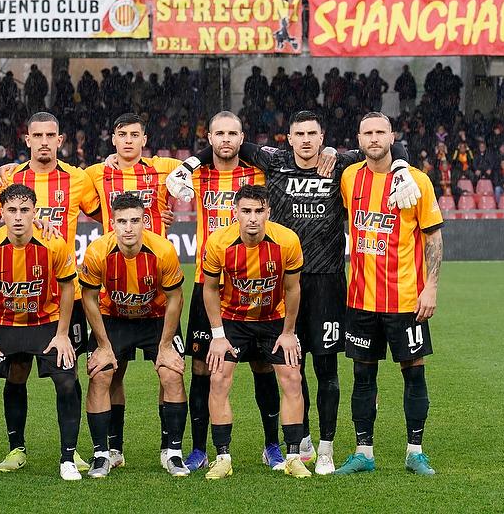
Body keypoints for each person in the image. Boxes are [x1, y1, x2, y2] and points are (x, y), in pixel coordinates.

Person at [168, 110, 419, 475]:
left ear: (322, 137)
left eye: (312, 134)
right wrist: (190, 164)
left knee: (324, 367)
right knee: (285, 366)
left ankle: (324, 447)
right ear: (288, 138)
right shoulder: (275, 160)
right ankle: (297, 442)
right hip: (280, 282)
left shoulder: (340, 162)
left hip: (327, 280)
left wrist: (401, 169)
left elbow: (388, 146)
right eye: (299, 134)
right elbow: (227, 145)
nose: (305, 140)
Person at [165, 112, 281, 474]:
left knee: (264, 364)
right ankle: (199, 449)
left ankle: (272, 445)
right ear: (209, 137)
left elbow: (293, 159)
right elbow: (146, 169)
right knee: (203, 367)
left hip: (254, 282)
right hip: (209, 282)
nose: (226, 139)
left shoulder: (258, 173)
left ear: (242, 138)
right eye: (219, 133)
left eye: (233, 133)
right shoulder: (196, 173)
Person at [0, 112, 101, 473]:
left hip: (64, 295)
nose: (44, 142)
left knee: (67, 375)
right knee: (17, 372)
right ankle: (16, 448)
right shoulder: (11, 178)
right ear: (27, 140)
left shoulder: (77, 179)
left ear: (60, 140)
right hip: (19, 296)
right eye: (37, 135)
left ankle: (72, 451)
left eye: (50, 135)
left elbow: (106, 215)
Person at [334, 112, 443, 476]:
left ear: (393, 136)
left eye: (381, 131)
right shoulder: (350, 177)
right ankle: (363, 452)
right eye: (368, 132)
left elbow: (433, 237)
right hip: (361, 299)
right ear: (359, 139)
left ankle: (415, 452)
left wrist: (431, 287)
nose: (374, 138)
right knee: (363, 376)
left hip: (406, 299)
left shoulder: (416, 181)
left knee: (413, 374)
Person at [0, 184, 82, 481]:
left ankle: (68, 458)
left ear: (34, 212)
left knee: (67, 382)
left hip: (45, 322)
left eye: (25, 210)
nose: (18, 217)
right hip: (2, 324)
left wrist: (63, 334)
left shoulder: (53, 243)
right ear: (2, 213)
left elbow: (68, 287)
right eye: (12, 210)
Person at [83, 113, 180, 464]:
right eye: (121, 134)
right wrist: (7, 170)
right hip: (114, 292)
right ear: (113, 139)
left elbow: (207, 161)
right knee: (111, 372)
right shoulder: (96, 173)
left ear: (144, 139)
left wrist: (169, 205)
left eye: (134, 135)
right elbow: (56, 179)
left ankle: (170, 450)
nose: (128, 140)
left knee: (170, 371)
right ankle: (112, 450)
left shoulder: (163, 168)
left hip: (156, 288)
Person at [201, 184, 310, 479]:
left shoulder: (287, 241)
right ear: (235, 212)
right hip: (233, 319)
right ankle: (222, 457)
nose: (252, 218)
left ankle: (292, 456)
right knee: (218, 378)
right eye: (246, 211)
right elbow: (209, 289)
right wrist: (218, 335)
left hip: (273, 319)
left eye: (259, 211)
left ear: (268, 212)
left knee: (292, 378)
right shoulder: (218, 242)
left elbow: (292, 288)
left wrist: (289, 333)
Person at [80, 194, 189, 478]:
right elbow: (89, 298)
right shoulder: (97, 252)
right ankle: (105, 453)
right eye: (122, 221)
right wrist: (103, 345)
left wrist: (166, 345)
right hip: (114, 317)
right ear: (112, 223)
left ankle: (172, 452)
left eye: (134, 220)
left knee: (171, 375)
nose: (128, 228)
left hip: (156, 318)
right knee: (102, 374)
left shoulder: (163, 250)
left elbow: (175, 298)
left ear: (145, 222)